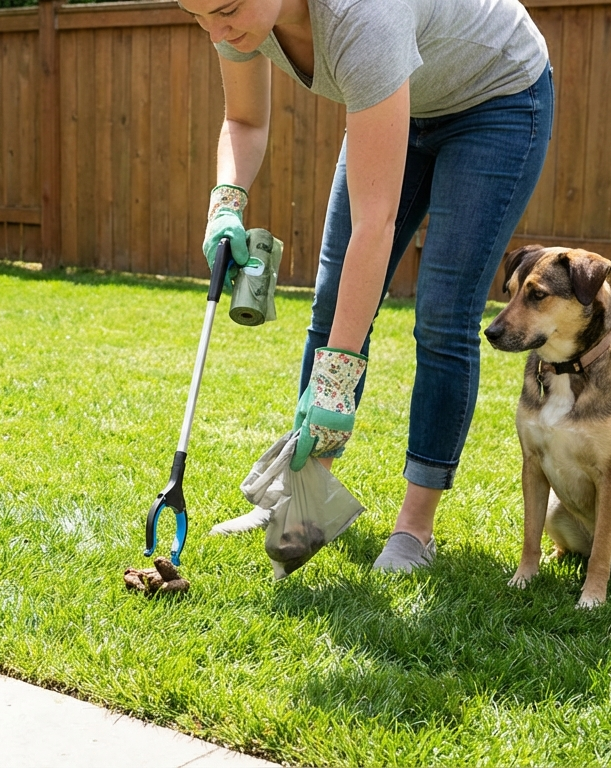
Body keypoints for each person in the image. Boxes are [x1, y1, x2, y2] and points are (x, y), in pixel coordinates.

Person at [189, 0, 553, 570]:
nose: (217, 29)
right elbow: (244, 121)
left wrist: (335, 384)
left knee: (442, 313)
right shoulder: (236, 17)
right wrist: (225, 204)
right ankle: (300, 499)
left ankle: (415, 529)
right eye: (198, 16)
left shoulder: (361, 15)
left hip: (496, 98)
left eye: (225, 10)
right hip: (400, 95)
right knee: (335, 297)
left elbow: (375, 223)